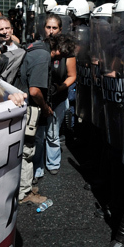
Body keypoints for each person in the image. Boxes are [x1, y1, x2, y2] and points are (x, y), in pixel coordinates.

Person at [18, 34, 76, 204]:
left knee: (31, 144)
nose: (60, 60)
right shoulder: (43, 56)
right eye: (61, 56)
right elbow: (35, 91)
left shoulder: (37, 46)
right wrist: (45, 108)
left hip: (24, 101)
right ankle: (24, 192)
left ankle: (26, 185)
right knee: (29, 148)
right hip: (29, 104)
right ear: (57, 50)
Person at [34, 16, 77, 180]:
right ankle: (37, 168)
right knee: (38, 135)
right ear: (43, 28)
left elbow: (72, 76)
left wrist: (61, 87)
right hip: (39, 98)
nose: (51, 31)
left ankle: (53, 163)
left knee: (53, 133)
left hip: (58, 97)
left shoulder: (66, 50)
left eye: (54, 28)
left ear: (60, 30)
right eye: (48, 27)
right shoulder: (38, 46)